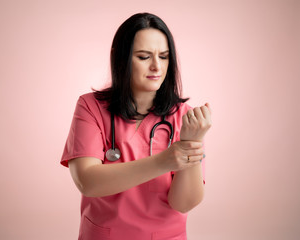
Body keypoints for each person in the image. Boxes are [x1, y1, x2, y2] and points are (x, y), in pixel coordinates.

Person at [60, 12, 212, 240]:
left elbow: (183, 203)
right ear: (121, 58)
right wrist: (165, 161)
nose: (156, 67)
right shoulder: (91, 107)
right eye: (143, 57)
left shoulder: (184, 117)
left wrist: (192, 143)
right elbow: (87, 181)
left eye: (163, 56)